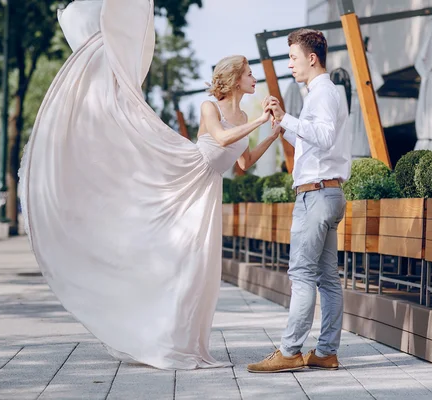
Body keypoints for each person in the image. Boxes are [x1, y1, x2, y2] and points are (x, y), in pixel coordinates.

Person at [18, 0, 279, 370]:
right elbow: (220, 140)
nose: (255, 79)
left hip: (209, 192)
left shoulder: (243, 115)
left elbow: (242, 163)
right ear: (236, 78)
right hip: (188, 178)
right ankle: (164, 340)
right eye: (251, 73)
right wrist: (257, 124)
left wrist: (272, 132)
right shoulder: (211, 108)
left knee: (203, 271)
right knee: (182, 261)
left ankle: (186, 341)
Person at [247, 28, 350, 373]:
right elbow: (314, 143)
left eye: (292, 57)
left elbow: (321, 136)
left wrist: (289, 118)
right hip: (329, 191)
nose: (289, 64)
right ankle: (325, 352)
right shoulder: (323, 93)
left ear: (311, 57)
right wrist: (284, 122)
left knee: (302, 275)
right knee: (327, 279)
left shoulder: (322, 93)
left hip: (316, 195)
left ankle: (290, 351)